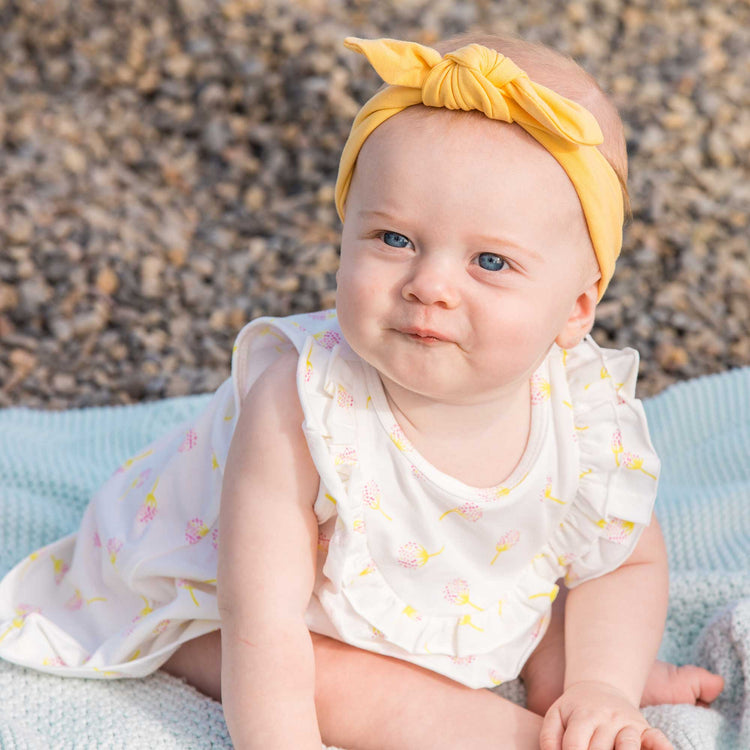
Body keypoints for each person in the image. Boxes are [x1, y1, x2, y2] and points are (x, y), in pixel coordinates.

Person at [0, 33, 724, 750]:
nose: (430, 285)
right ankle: (521, 735)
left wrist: (602, 686)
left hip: (438, 582)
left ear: (575, 308)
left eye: (491, 261)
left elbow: (623, 560)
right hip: (217, 599)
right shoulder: (303, 406)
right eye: (394, 240)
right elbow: (266, 618)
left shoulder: (583, 411)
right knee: (332, 683)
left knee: (583, 620)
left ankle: (579, 702)